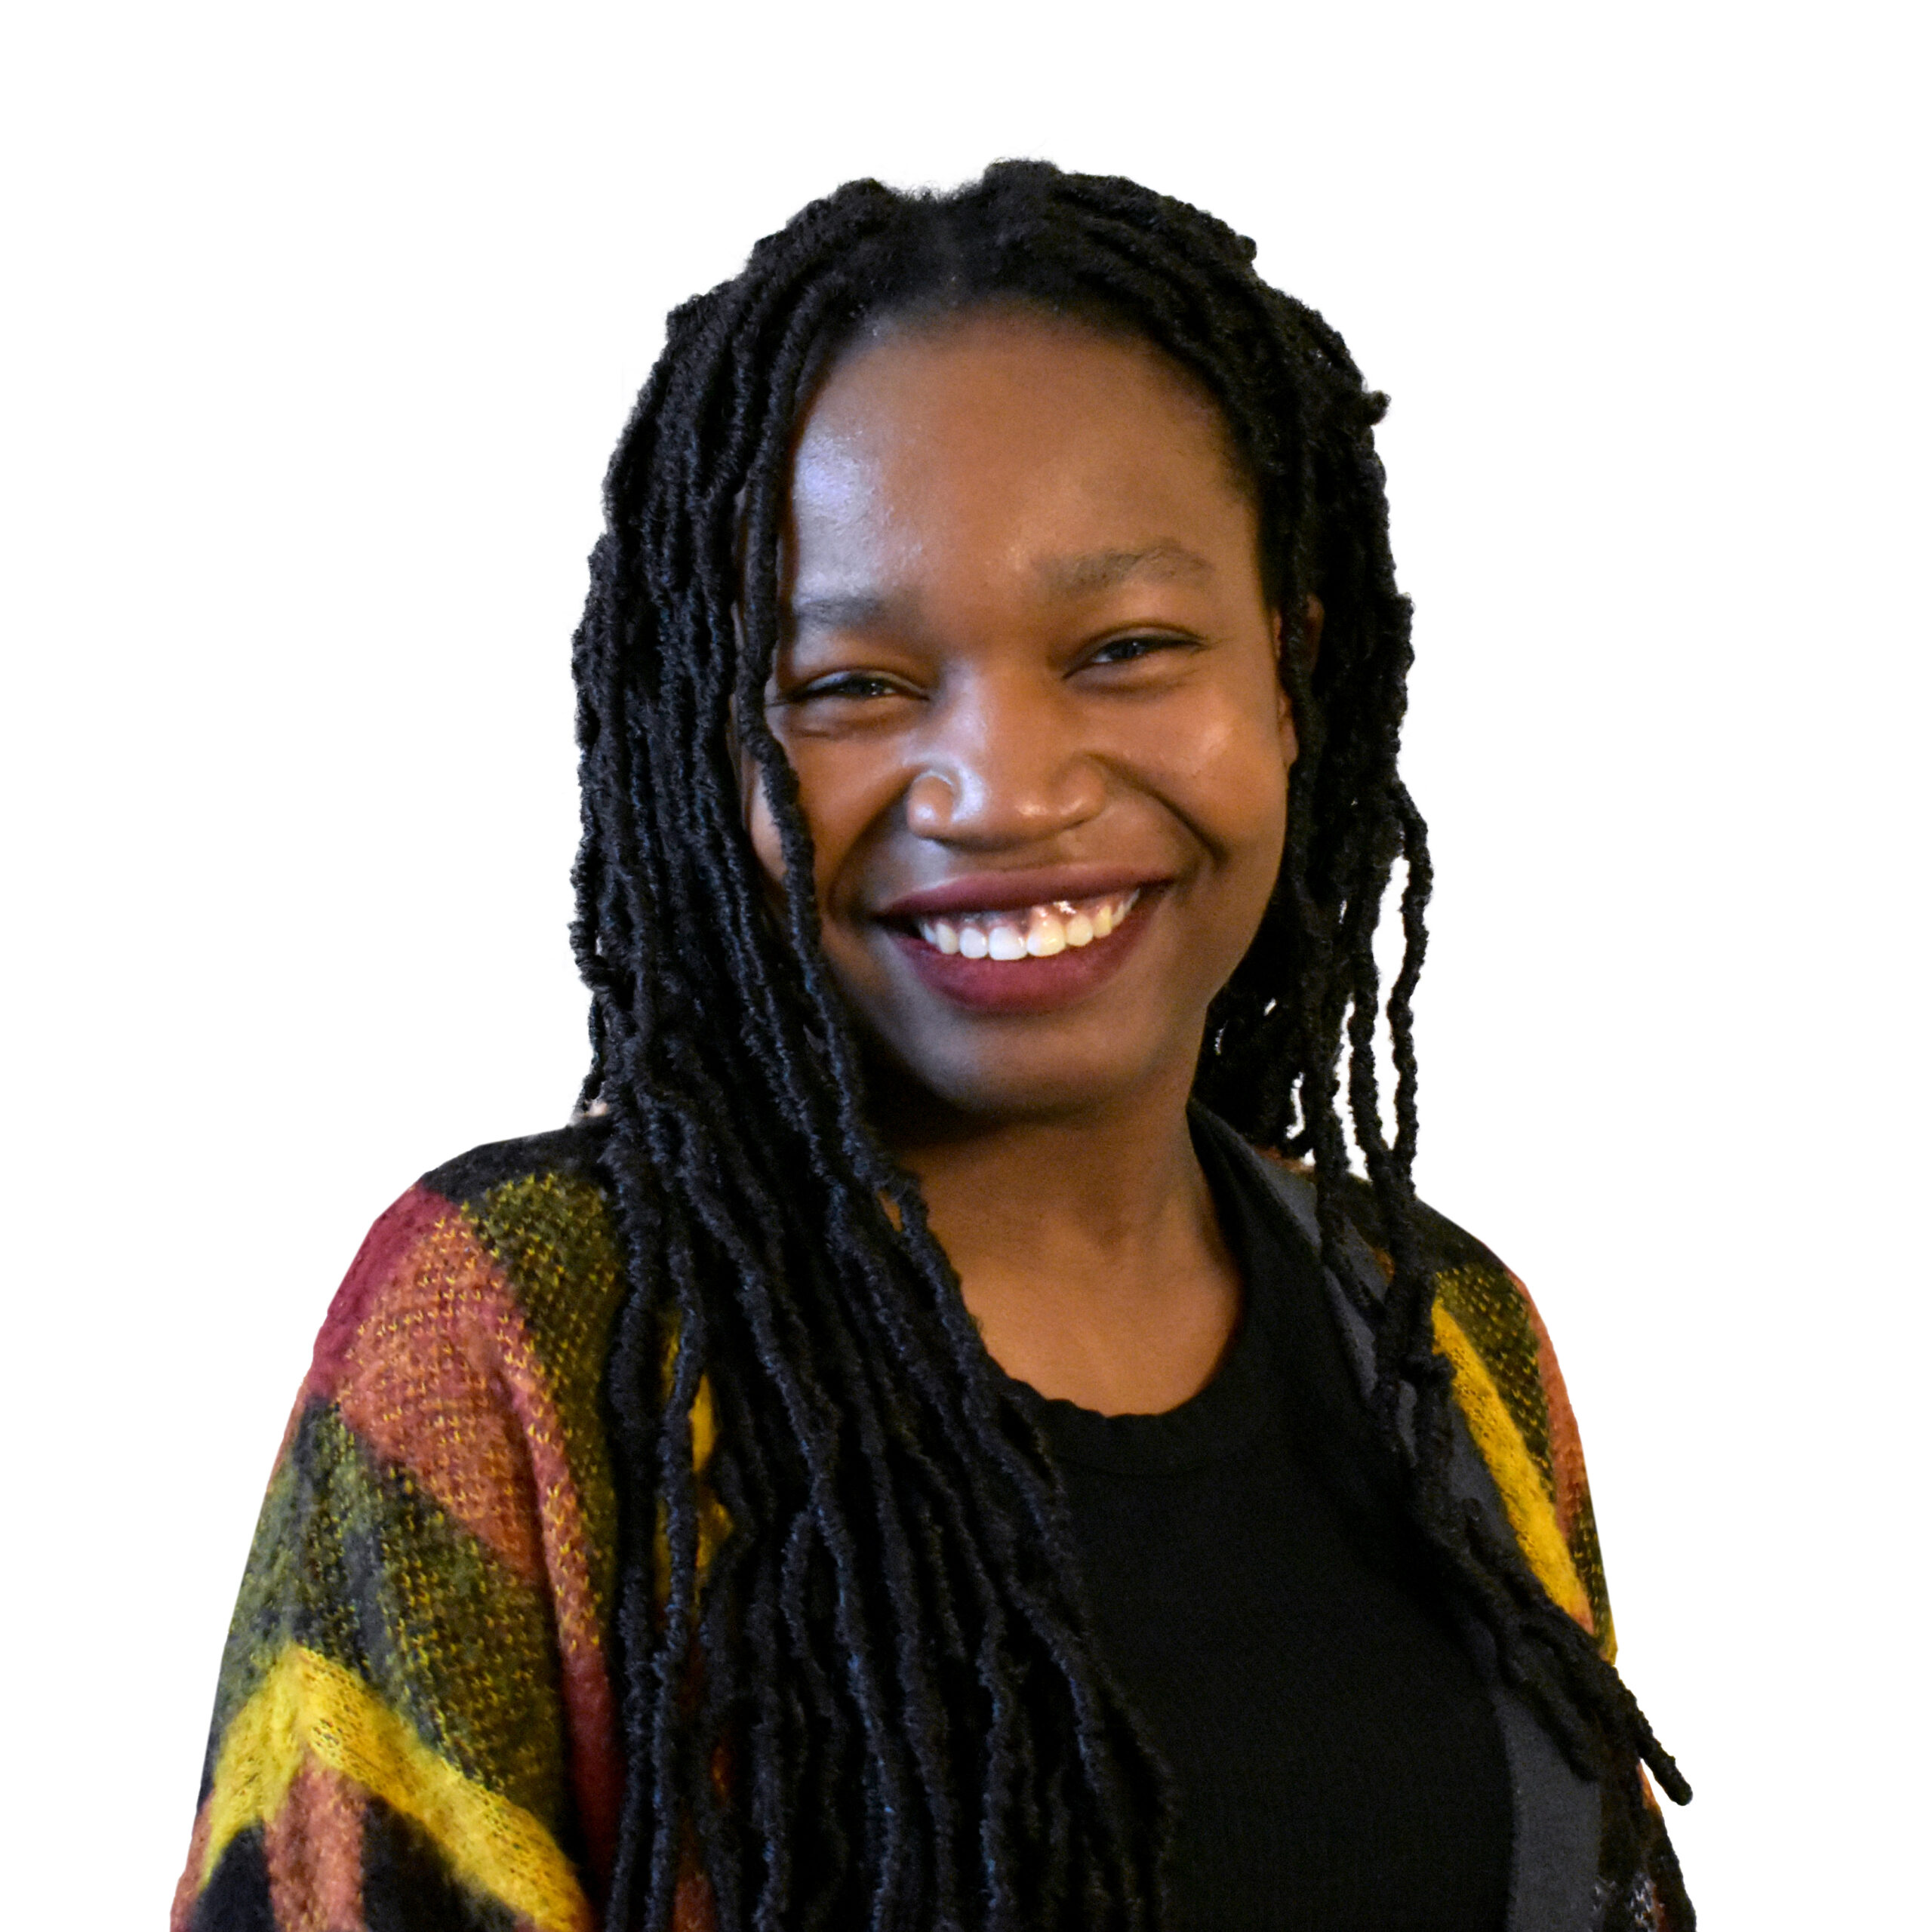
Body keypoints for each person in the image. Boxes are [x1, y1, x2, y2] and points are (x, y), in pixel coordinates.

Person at [171, 162, 1692, 1932]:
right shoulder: (516, 1334)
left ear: (1289, 675)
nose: (1005, 790)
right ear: (708, 745)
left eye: (1124, 648)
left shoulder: (1444, 1343)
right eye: (848, 686)